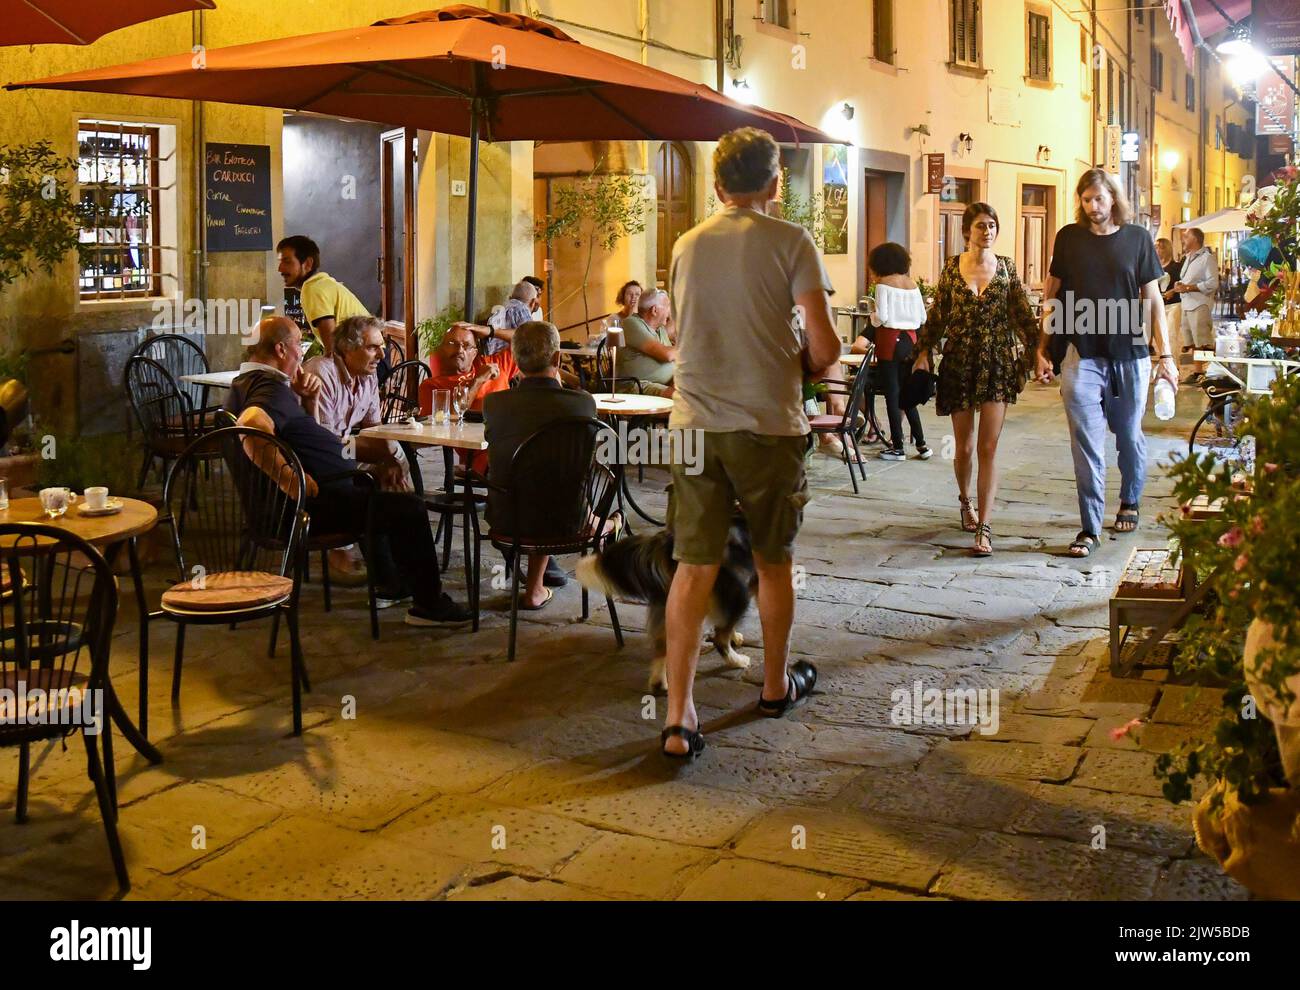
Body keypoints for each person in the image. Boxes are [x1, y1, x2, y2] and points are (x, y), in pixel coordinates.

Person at [662, 127, 840, 759]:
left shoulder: (684, 244)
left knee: (693, 566)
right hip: (768, 427)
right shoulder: (792, 241)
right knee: (773, 561)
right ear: (775, 185)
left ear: (715, 184)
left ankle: (680, 718)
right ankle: (772, 683)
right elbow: (824, 349)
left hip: (694, 425)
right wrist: (805, 358)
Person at [226, 317, 472, 625]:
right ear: (280, 349)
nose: (301, 356)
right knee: (409, 508)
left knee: (380, 488)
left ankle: (392, 583)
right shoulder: (269, 388)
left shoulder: (251, 384)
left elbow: (326, 435)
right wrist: (290, 480)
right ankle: (430, 604)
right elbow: (250, 426)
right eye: (298, 349)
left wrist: (309, 400)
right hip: (302, 510)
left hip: (306, 497)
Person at [1034, 169, 1179, 558]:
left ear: (1113, 198)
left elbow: (1153, 300)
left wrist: (1165, 355)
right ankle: (1090, 526)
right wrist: (1043, 345)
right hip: (1081, 353)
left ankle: (1130, 499)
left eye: (1099, 199)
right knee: (1085, 442)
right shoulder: (1069, 238)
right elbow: (1053, 292)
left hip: (1129, 353)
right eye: (1086, 200)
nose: (1093, 207)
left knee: (1129, 434)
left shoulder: (1137, 239)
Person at [914, 204, 1038, 555]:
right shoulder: (952, 269)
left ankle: (984, 527)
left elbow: (1023, 316)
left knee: (988, 448)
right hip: (960, 363)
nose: (987, 231)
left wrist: (1039, 351)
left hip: (997, 363)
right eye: (981, 226)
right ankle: (965, 501)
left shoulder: (1007, 268)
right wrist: (924, 351)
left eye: (993, 225)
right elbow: (938, 315)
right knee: (964, 447)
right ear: (967, 230)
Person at [483, 321, 599, 609]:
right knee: (556, 480)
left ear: (515, 359)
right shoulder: (583, 404)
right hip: (568, 520)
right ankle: (606, 526)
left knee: (527, 481)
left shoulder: (494, 404)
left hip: (506, 518)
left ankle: (535, 587)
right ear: (558, 359)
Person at [852, 242, 929, 462]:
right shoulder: (912, 285)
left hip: (890, 341)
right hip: (911, 339)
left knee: (893, 395)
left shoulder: (883, 284)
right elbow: (923, 318)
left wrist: (872, 317)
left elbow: (883, 318)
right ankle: (922, 444)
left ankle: (897, 447)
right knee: (908, 395)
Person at [276, 235, 371, 354]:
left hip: (368, 359)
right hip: (370, 356)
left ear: (308, 264)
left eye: (287, 261)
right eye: (280, 262)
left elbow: (332, 349)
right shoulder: (322, 283)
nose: (280, 269)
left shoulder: (312, 288)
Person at [1172, 227, 1219, 381]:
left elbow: (1213, 283)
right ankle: (1198, 371)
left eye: (1186, 237)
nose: (1183, 239)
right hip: (1187, 303)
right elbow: (1187, 279)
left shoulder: (1207, 258)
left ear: (1195, 239)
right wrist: (1181, 284)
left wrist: (1189, 287)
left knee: (1203, 341)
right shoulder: (1189, 257)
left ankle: (1213, 370)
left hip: (1199, 304)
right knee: (1191, 340)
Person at [618, 289, 677, 397]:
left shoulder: (659, 329)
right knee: (684, 400)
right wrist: (689, 347)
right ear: (654, 310)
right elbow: (667, 355)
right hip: (636, 386)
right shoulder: (631, 323)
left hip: (660, 384)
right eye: (668, 306)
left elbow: (674, 356)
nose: (670, 311)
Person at [1155, 237, 1183, 366]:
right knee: (1160, 338)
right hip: (1158, 306)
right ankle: (1163, 365)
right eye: (1155, 247)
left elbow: (1181, 284)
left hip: (1174, 305)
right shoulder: (1153, 267)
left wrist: (1172, 291)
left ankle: (1173, 366)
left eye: (1159, 247)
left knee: (1171, 335)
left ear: (1166, 249)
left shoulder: (1176, 266)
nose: (1156, 250)